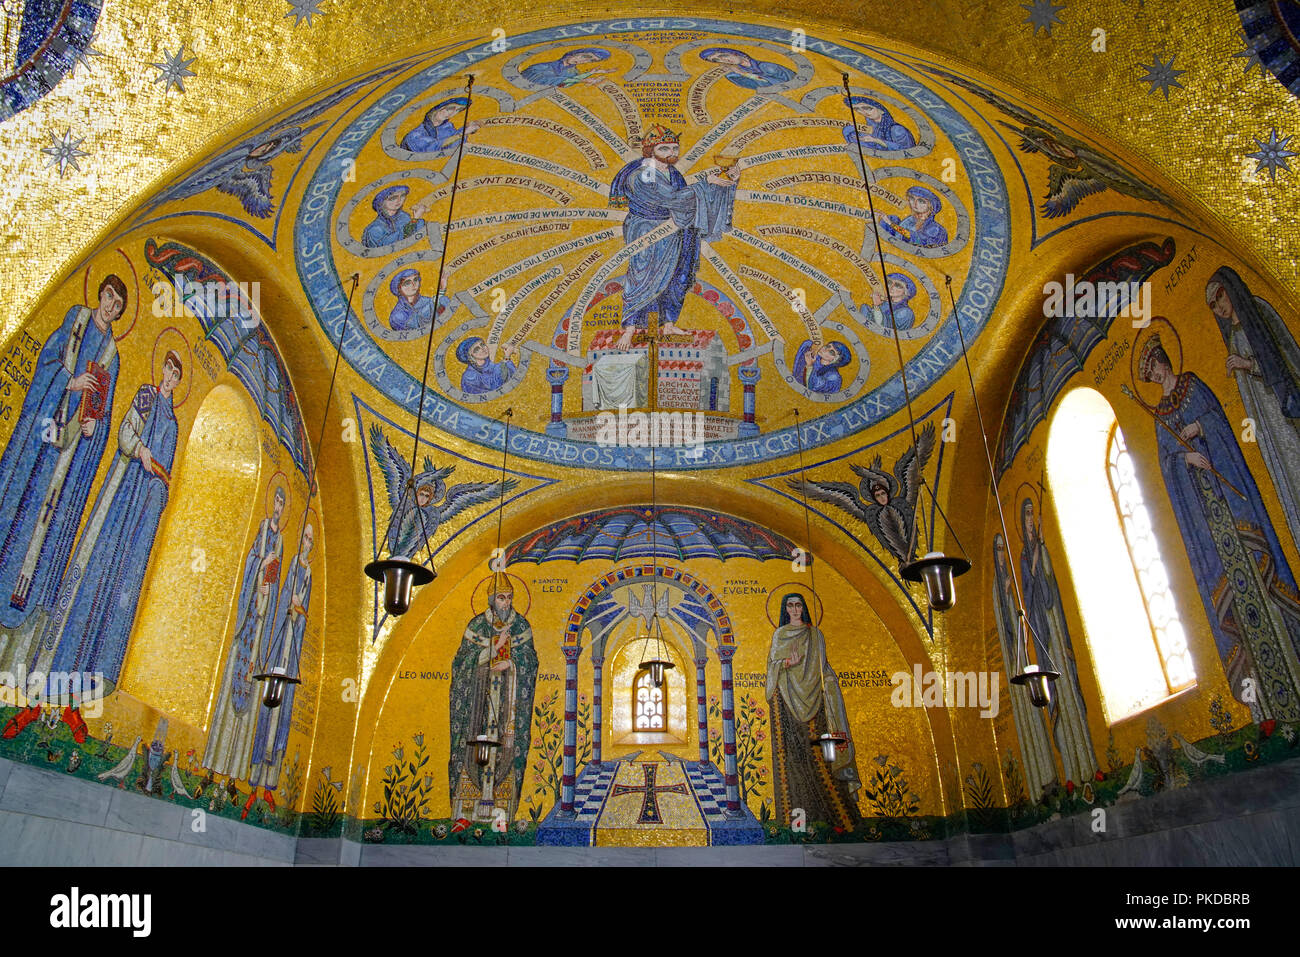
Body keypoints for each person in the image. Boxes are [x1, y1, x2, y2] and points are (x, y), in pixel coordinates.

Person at [1138, 334, 1300, 728]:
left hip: (1234, 510)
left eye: (1156, 368)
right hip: (1209, 529)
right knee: (1238, 609)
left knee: (1265, 589)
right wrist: (1183, 458)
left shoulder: (1193, 386)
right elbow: (1168, 466)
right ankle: (1266, 711)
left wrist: (1200, 428)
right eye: (1150, 374)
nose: (1156, 376)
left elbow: (1221, 424)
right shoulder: (1160, 414)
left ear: (1164, 361)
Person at [31, 351, 183, 718]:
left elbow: (167, 473)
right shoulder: (146, 396)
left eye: (177, 374)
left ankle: (86, 686)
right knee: (96, 567)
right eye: (169, 368)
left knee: (119, 586)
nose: (171, 376)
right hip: (122, 494)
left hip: (142, 507)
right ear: (162, 369)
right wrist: (140, 448)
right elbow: (124, 433)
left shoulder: (175, 425)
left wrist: (158, 493)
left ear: (179, 381)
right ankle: (51, 673)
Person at [608, 125, 740, 351]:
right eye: (665, 148)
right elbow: (670, 199)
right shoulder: (643, 173)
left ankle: (668, 324)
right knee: (642, 276)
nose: (672, 152)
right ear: (650, 150)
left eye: (675, 147)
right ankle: (629, 329)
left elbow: (687, 200)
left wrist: (726, 181)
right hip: (648, 230)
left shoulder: (673, 173)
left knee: (675, 274)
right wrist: (707, 183)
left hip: (677, 230)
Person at [1206, 266, 1300, 549]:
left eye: (1220, 297)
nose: (1220, 307)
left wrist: (1249, 365)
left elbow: (1286, 359)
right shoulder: (1233, 337)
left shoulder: (1259, 313)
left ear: (1231, 289)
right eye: (1213, 305)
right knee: (1288, 482)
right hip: (1268, 426)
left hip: (1287, 411)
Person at [201, 484, 286, 788]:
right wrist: (259, 567)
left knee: (251, 692)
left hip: (260, 625)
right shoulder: (263, 530)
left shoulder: (280, 541)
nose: (277, 505)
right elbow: (252, 563)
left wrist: (267, 585)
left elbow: (272, 584)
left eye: (281, 501)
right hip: (245, 626)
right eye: (276, 499)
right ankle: (213, 764)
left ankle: (234, 773)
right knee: (229, 690)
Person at [1019, 498, 1099, 789]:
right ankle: (1069, 770)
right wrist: (1036, 554)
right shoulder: (1026, 556)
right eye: (1026, 515)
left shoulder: (1043, 550)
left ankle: (1088, 763)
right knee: (1058, 698)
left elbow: (1052, 589)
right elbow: (1029, 591)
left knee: (1073, 696)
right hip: (1044, 635)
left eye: (1032, 514)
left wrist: (1042, 553)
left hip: (1057, 628)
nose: (1030, 519)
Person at [765, 592, 861, 829]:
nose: (795, 609)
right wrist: (788, 664)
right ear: (785, 609)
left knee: (821, 757)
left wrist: (829, 686)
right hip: (787, 705)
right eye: (790, 605)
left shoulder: (815, 634)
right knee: (794, 760)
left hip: (816, 704)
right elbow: (772, 668)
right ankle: (795, 820)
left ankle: (838, 818)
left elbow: (822, 667)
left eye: (798, 605)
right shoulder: (780, 635)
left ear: (804, 608)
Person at [448, 573, 538, 822]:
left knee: (508, 750)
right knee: (471, 748)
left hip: (508, 704)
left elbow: (530, 661)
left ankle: (503, 816)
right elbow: (461, 663)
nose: (506, 603)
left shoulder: (521, 627)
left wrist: (510, 662)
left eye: (509, 598)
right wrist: (492, 651)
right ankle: (465, 814)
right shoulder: (477, 626)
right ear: (491, 600)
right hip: (478, 706)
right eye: (501, 598)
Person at [243, 522, 313, 820]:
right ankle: (254, 781)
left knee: (282, 718)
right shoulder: (289, 562)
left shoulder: (308, 573)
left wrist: (299, 610)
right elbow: (277, 596)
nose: (307, 543)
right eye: (305, 537)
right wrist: (290, 604)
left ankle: (270, 784)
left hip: (292, 645)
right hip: (277, 646)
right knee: (265, 714)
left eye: (311, 539)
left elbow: (303, 609)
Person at [991, 533, 1056, 802]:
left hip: (1028, 657)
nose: (1003, 554)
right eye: (998, 550)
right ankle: (1040, 778)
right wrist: (1005, 595)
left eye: (1004, 549)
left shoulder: (1014, 574)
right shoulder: (998, 584)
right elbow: (1004, 620)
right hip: (1017, 661)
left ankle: (1051, 776)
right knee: (1030, 725)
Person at [399, 97, 479, 153]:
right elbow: (433, 147)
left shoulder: (447, 128)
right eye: (449, 109)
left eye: (458, 110)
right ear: (438, 109)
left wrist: (466, 129)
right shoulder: (415, 134)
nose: (451, 113)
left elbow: (455, 145)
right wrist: (462, 133)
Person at [386, 268, 455, 333]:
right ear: (399, 289)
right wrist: (440, 293)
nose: (414, 285)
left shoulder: (427, 301)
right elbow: (416, 326)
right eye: (407, 283)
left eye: (415, 280)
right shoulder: (397, 315)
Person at [361, 185, 429, 248]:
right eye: (393, 198)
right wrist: (415, 219)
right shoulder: (375, 229)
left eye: (402, 196)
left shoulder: (404, 216)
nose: (399, 201)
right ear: (381, 202)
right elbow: (390, 245)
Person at [881, 186, 948, 248]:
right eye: (912, 199)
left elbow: (916, 239)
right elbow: (897, 236)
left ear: (931, 206)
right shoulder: (909, 221)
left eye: (921, 201)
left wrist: (891, 223)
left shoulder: (936, 229)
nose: (915, 204)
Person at [842, 95, 916, 151]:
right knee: (849, 130)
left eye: (867, 108)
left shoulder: (896, 129)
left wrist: (875, 140)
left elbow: (907, 150)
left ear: (881, 110)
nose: (863, 112)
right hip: (877, 152)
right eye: (857, 109)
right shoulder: (873, 124)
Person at [698, 47, 795, 89]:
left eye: (723, 55)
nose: (723, 60)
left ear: (733, 52)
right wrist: (741, 74)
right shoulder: (734, 76)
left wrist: (744, 73)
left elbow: (784, 84)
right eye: (716, 60)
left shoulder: (768, 67)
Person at [520, 48, 612, 88]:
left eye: (591, 61)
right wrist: (581, 80)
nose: (583, 61)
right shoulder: (541, 67)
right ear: (574, 53)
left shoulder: (573, 72)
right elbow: (538, 79)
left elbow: (564, 84)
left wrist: (591, 73)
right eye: (585, 56)